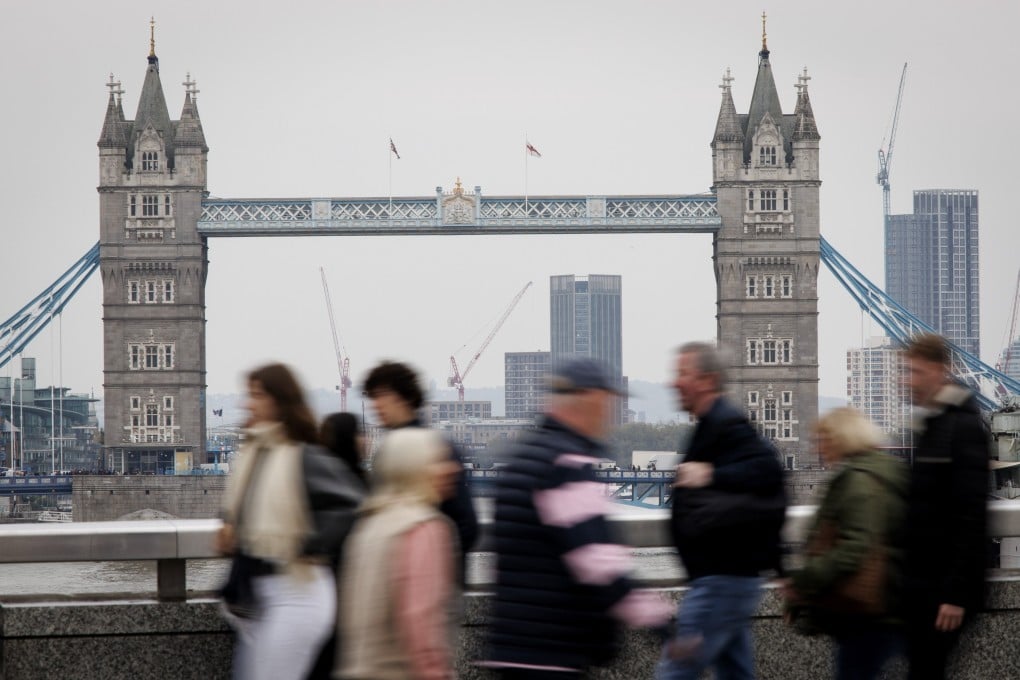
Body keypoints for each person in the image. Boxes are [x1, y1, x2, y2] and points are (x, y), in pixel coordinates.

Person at [485, 356, 673, 679]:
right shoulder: (568, 466)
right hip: (553, 650)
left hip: (512, 645)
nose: (609, 415)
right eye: (608, 403)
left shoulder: (522, 459)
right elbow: (599, 563)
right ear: (588, 399)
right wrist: (663, 623)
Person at [217, 364, 364, 680]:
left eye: (256, 395)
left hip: (298, 593)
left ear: (278, 401)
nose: (248, 403)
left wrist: (303, 544)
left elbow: (352, 506)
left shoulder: (303, 456)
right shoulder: (257, 453)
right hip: (264, 593)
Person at [658, 342, 786, 680]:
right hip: (727, 578)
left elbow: (769, 471)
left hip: (720, 581)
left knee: (676, 672)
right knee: (736, 672)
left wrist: (710, 474)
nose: (674, 382)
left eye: (682, 374)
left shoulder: (726, 424)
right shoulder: (710, 424)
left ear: (707, 380)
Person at [783, 407, 908, 680]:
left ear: (842, 439)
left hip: (868, 611)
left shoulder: (858, 480)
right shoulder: (881, 470)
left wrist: (805, 579)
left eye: (823, 439)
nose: (819, 447)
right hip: (885, 605)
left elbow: (854, 547)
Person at [335, 427, 461, 680]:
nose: (452, 468)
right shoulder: (424, 528)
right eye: (437, 461)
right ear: (413, 469)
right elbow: (420, 622)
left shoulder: (369, 525)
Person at [902, 333, 989, 680]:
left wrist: (955, 594)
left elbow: (971, 514)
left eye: (915, 372)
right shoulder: (930, 423)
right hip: (924, 586)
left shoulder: (962, 427)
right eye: (905, 372)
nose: (907, 380)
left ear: (940, 371)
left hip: (945, 591)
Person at [362, 361, 478, 570]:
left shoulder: (436, 449)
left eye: (382, 394)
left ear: (405, 396)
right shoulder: (388, 451)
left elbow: (466, 524)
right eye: (373, 396)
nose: (375, 404)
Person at [305, 412, 370, 680]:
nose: (365, 441)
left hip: (322, 600)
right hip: (344, 600)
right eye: (359, 434)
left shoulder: (315, 480)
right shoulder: (359, 484)